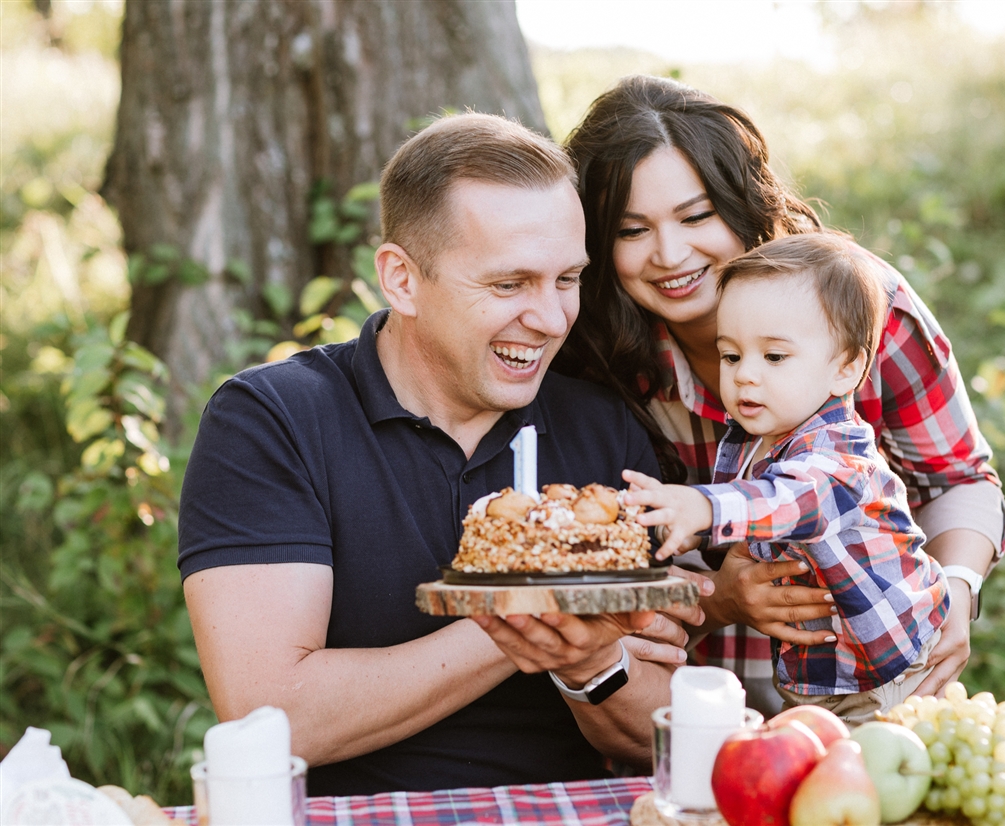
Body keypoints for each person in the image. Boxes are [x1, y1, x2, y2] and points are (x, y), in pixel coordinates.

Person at [177, 112, 706, 797]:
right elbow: (271, 715)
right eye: (509, 284)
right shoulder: (274, 419)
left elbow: (655, 731)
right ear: (401, 280)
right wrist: (544, 608)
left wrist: (595, 663)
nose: (549, 319)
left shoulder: (602, 428)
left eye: (567, 280)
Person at [557, 74, 1005, 716]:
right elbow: (599, 577)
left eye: (696, 216)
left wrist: (957, 588)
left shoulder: (861, 312)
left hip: (865, 678)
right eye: (632, 231)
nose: (670, 253)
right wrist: (721, 596)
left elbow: (960, 478)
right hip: (696, 698)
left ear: (742, 203)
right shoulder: (600, 353)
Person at [624, 234, 951, 721]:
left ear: (846, 369)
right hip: (819, 672)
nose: (744, 376)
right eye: (731, 356)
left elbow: (789, 500)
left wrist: (705, 507)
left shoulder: (841, 457)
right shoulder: (757, 438)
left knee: (861, 786)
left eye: (773, 357)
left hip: (887, 679)